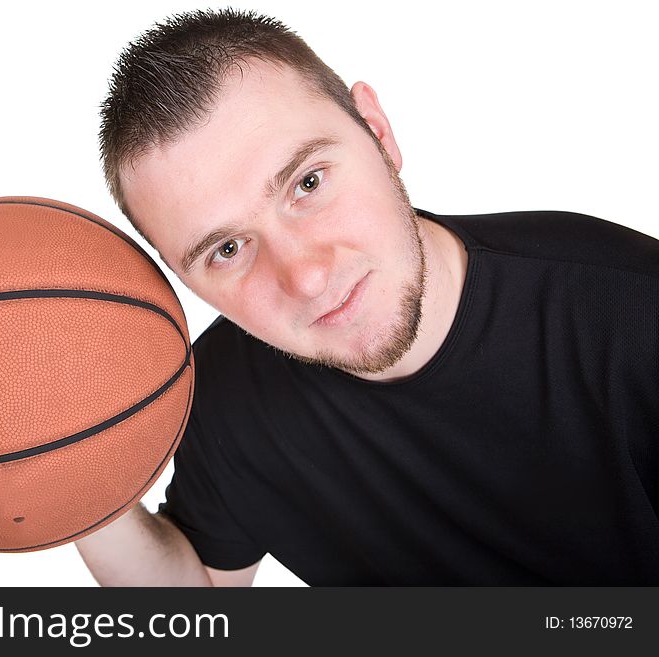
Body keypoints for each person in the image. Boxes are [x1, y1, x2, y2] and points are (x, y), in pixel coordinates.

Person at [75, 8, 659, 585]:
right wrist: (56, 469)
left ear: (378, 133)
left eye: (308, 183)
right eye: (227, 249)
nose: (304, 276)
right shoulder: (222, 395)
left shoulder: (634, 314)